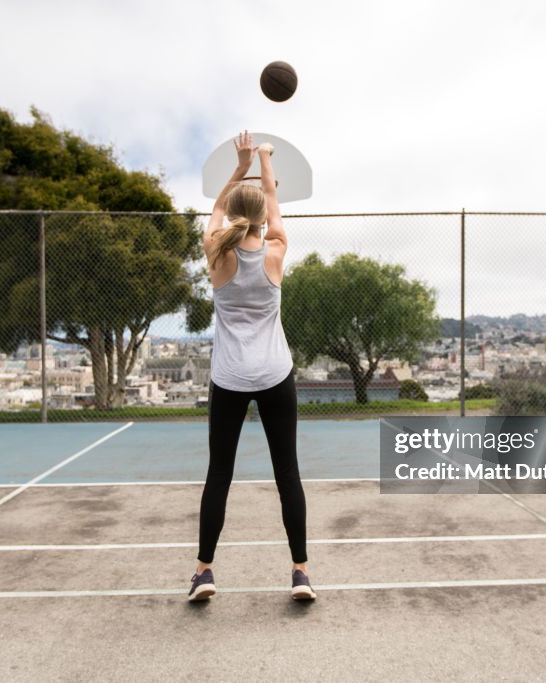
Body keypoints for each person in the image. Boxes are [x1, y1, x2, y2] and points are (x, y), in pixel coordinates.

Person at [188, 130, 315, 602]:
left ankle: (205, 571)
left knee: (219, 474)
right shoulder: (276, 254)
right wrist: (265, 165)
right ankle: (301, 572)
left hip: (230, 379)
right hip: (275, 376)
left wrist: (240, 168)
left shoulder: (216, 253)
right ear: (262, 218)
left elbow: (217, 213)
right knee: (288, 474)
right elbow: (275, 213)